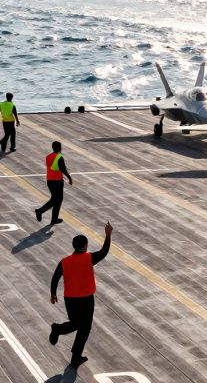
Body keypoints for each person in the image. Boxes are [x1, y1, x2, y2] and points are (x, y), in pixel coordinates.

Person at [49, 224, 113, 368]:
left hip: (70, 299)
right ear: (85, 246)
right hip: (86, 299)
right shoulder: (88, 258)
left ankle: (69, 346)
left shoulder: (65, 261)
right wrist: (108, 234)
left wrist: (53, 294)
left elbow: (55, 277)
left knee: (76, 324)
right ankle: (59, 332)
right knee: (85, 327)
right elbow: (104, 251)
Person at [36, 141, 72, 225]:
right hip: (57, 181)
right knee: (57, 199)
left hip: (49, 180)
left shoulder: (48, 156)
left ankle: (54, 219)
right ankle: (40, 211)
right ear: (58, 148)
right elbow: (63, 169)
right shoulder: (59, 157)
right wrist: (69, 178)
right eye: (60, 147)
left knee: (56, 199)